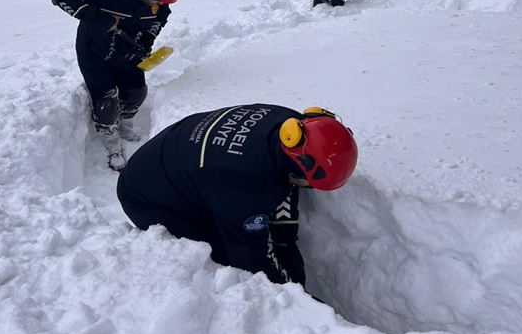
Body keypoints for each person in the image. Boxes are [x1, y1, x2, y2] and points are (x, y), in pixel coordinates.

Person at [116, 104, 358, 285]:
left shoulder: (293, 125)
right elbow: (249, 257)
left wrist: (286, 243)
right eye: (310, 184)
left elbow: (286, 190)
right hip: (148, 197)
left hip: (176, 162)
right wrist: (292, 294)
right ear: (297, 164)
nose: (309, 190)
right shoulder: (245, 184)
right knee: (222, 252)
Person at [51, 0, 184, 171]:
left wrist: (147, 39)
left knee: (137, 92)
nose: (157, 5)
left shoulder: (159, 3)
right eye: (157, 0)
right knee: (105, 99)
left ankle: (124, 122)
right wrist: (98, 17)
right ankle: (110, 139)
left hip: (127, 52)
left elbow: (160, 19)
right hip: (94, 52)